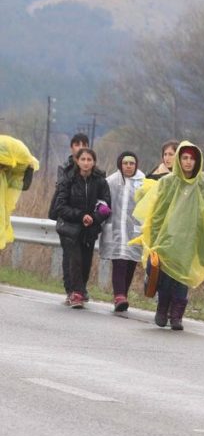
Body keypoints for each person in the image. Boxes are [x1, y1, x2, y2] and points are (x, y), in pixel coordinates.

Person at [133, 142, 204, 331]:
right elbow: (158, 212)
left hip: (190, 240)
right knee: (165, 277)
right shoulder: (168, 182)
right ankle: (162, 307)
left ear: (197, 161)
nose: (188, 162)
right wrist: (154, 239)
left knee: (183, 278)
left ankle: (176, 315)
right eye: (185, 158)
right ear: (179, 160)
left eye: (192, 158)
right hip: (168, 238)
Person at [52, 148, 111, 308]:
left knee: (85, 262)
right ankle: (75, 293)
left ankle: (78, 291)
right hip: (70, 228)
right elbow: (60, 207)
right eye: (83, 159)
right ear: (77, 161)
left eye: (89, 159)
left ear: (94, 162)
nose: (86, 162)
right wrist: (80, 216)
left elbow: (106, 206)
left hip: (90, 229)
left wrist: (94, 218)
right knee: (75, 259)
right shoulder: (68, 180)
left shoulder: (100, 181)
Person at [100, 151, 146, 312]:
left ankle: (122, 296)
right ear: (120, 164)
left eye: (131, 163)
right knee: (119, 261)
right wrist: (102, 208)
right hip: (116, 230)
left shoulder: (143, 183)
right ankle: (119, 296)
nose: (128, 166)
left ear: (136, 165)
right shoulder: (111, 181)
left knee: (130, 264)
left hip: (134, 231)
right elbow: (101, 198)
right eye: (125, 163)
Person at [49, 133, 90, 303]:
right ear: (72, 147)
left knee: (85, 257)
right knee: (69, 256)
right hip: (67, 218)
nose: (80, 147)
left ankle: (80, 289)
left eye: (84, 144)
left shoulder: (91, 167)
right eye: (77, 144)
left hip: (86, 220)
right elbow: (62, 193)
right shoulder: (65, 168)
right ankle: (71, 290)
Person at [0, 135, 39, 251]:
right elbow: (24, 186)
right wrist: (30, 168)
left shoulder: (5, 178)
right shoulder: (6, 178)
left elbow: (24, 186)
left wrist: (30, 168)